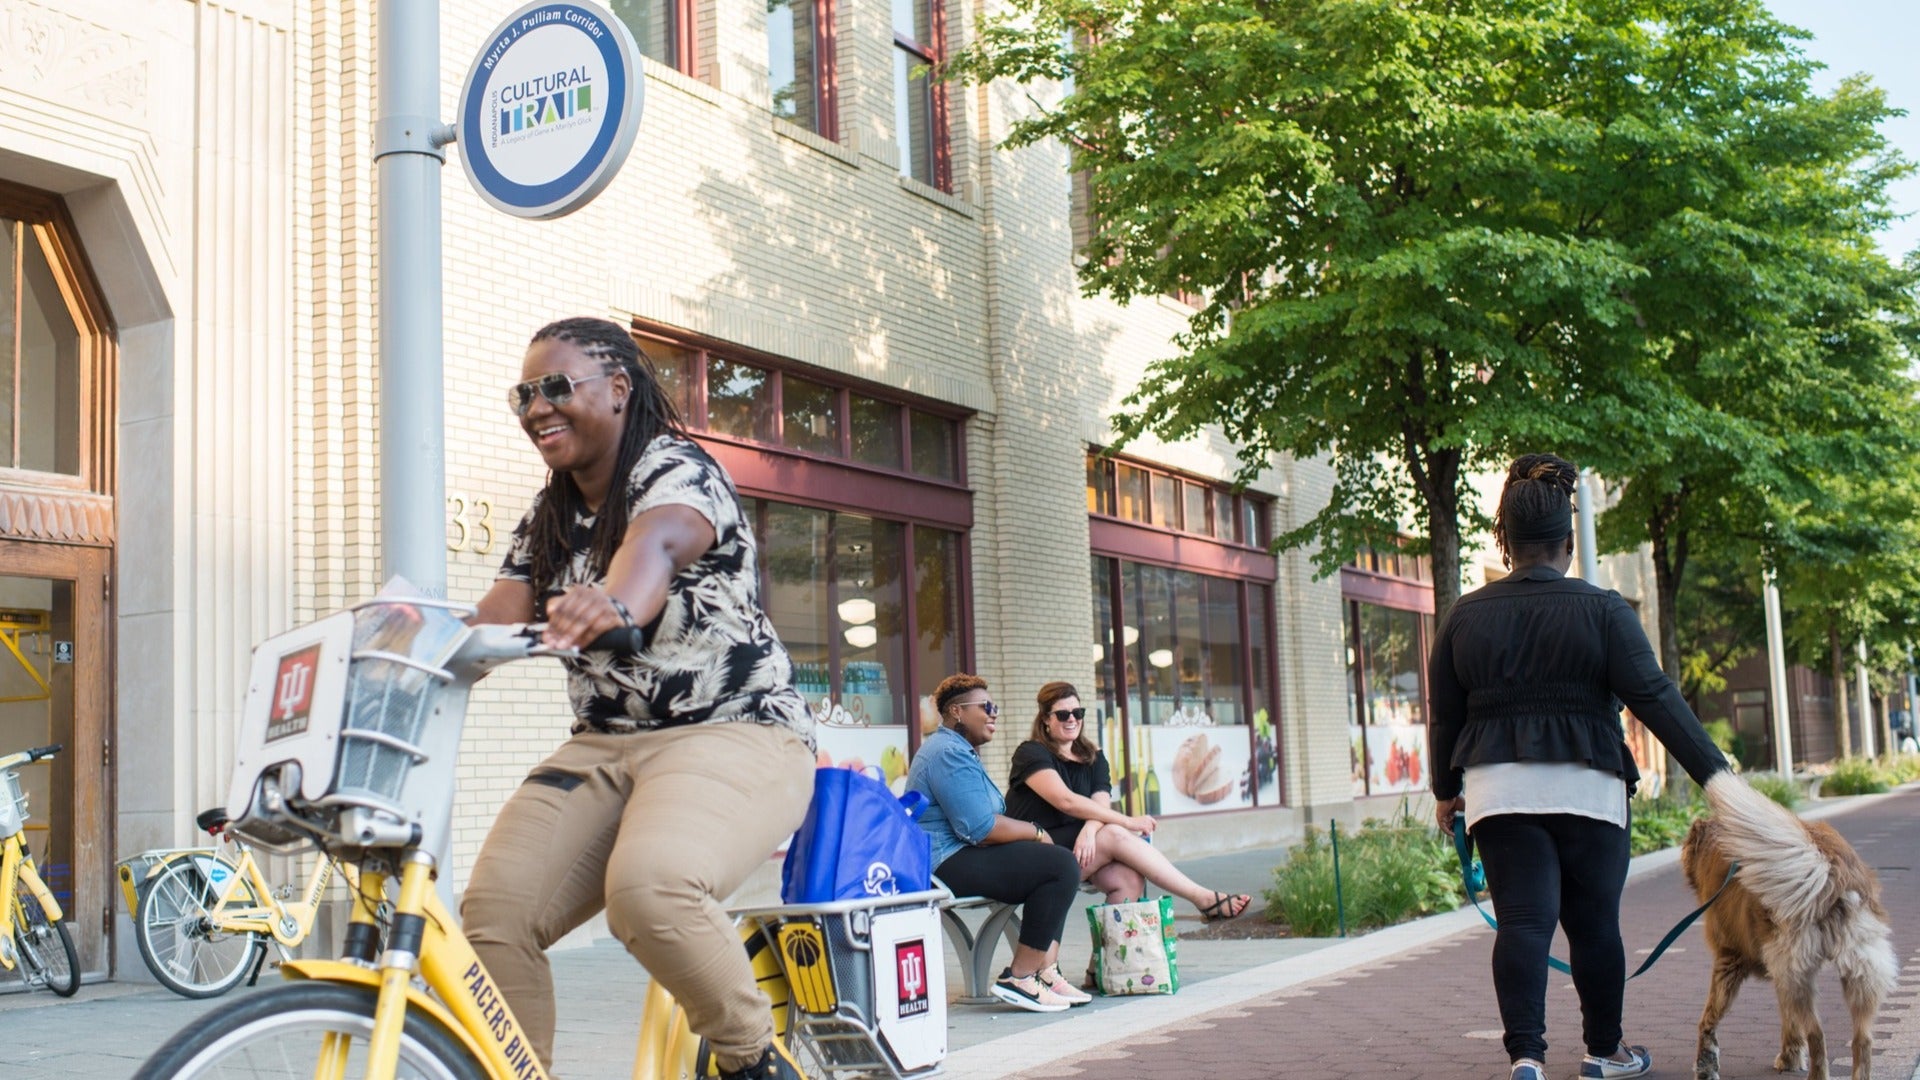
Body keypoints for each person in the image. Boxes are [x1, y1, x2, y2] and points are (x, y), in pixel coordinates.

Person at [464, 316, 817, 1080]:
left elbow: (654, 546)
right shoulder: (549, 512)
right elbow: (492, 620)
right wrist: (394, 645)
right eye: (523, 394)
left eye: (556, 387)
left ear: (619, 388)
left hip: (735, 730)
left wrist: (618, 603)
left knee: (650, 890)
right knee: (493, 915)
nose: (536, 408)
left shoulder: (675, 469)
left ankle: (754, 1060)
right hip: (604, 745)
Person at [1427, 453, 1730, 1080]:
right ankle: (1603, 1051)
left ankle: (1527, 1059)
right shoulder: (1606, 610)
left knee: (1522, 923)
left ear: (1503, 542)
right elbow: (1656, 697)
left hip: (1498, 790)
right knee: (1595, 926)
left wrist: (1444, 791)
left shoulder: (1462, 615)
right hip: (1590, 787)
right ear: (1568, 541)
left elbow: (1444, 718)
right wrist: (1721, 781)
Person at [905, 673, 1092, 1012]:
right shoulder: (947, 752)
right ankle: (1020, 978)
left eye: (996, 707)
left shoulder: (958, 750)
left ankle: (1043, 972)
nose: (994, 714)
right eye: (986, 706)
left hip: (960, 855)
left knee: (1053, 862)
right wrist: (1035, 831)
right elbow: (980, 827)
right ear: (957, 712)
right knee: (1059, 865)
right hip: (942, 863)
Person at [1006, 681, 1251, 923]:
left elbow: (1100, 805)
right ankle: (1203, 898)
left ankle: (1105, 962)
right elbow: (1065, 801)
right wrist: (1128, 822)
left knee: (1129, 880)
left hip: (1078, 848)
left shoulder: (1093, 757)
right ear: (1046, 719)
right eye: (1062, 714)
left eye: (1077, 712)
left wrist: (1090, 830)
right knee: (1114, 833)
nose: (1072, 719)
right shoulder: (1030, 753)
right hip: (1031, 852)